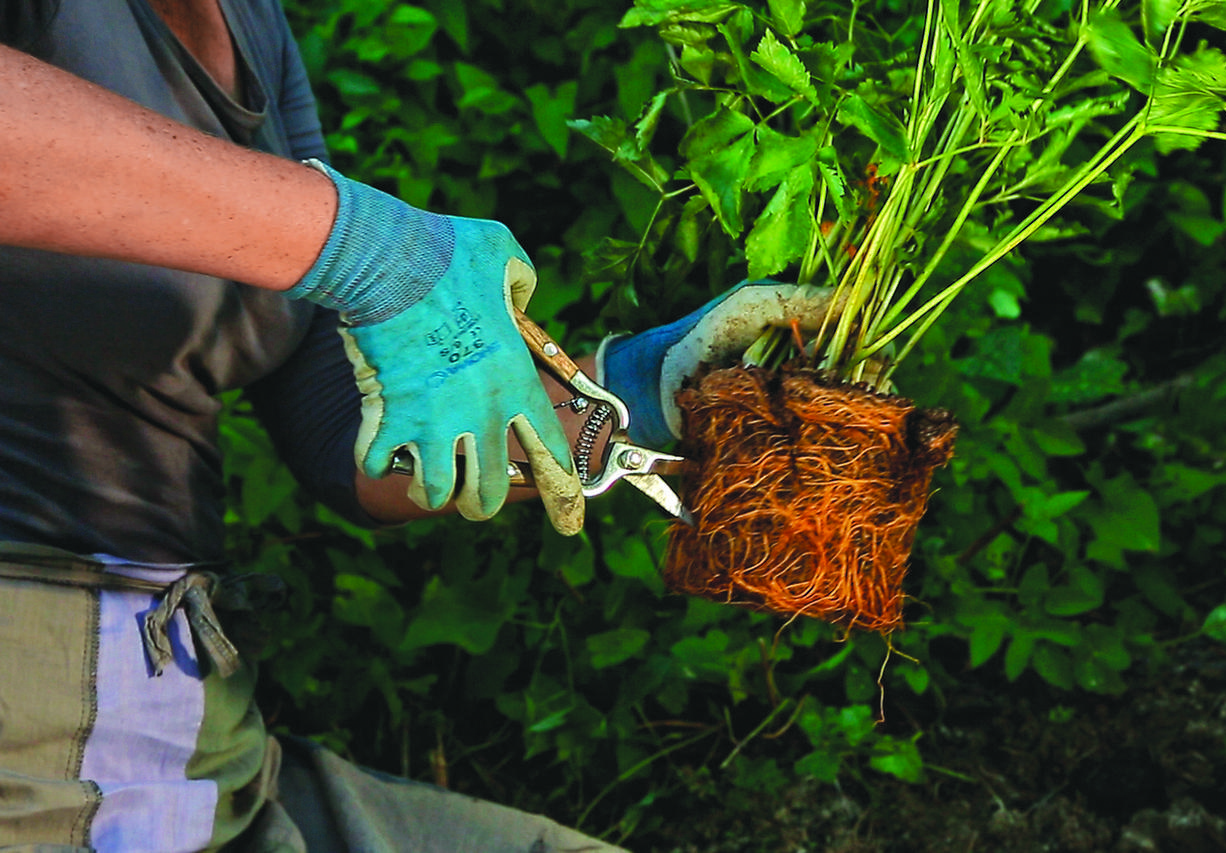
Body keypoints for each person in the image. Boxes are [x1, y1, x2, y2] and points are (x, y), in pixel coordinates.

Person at [0, 1, 835, 850]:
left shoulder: (250, 24)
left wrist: (617, 398)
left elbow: (340, 419)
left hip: (203, 747)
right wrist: (359, 242)